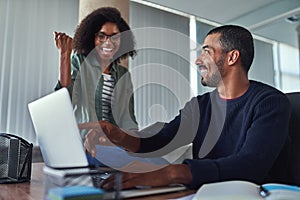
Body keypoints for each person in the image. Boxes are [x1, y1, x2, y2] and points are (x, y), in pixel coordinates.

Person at [81, 25, 291, 190]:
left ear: (232, 57)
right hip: (207, 192)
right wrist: (117, 135)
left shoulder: (270, 103)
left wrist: (172, 173)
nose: (198, 60)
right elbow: (159, 140)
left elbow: (250, 165)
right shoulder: (200, 106)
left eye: (207, 52)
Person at [53, 7, 138, 141]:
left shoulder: (124, 75)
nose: (108, 42)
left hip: (113, 144)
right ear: (92, 37)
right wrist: (65, 56)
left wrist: (136, 142)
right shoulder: (80, 62)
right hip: (83, 143)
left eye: (115, 37)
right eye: (101, 36)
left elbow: (128, 119)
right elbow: (65, 100)